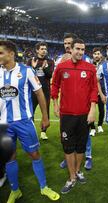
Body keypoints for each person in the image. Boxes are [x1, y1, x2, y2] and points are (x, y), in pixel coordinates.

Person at [0, 40, 60, 202]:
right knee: (9, 157)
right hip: (4, 124)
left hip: (24, 122)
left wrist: (45, 117)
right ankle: (15, 190)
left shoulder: (26, 71)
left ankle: (43, 187)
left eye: (1, 53)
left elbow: (39, 93)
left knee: (34, 154)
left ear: (11, 54)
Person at [51, 38, 98, 194]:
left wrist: (92, 110)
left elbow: (93, 90)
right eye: (77, 49)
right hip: (67, 115)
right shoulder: (61, 67)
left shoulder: (90, 68)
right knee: (69, 147)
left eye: (83, 49)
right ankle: (71, 178)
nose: (80, 52)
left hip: (84, 115)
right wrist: (55, 104)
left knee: (81, 146)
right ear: (70, 49)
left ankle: (77, 171)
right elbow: (55, 85)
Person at [26, 42, 54, 140]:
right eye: (42, 49)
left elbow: (50, 75)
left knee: (45, 111)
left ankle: (43, 132)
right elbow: (28, 75)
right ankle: (32, 131)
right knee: (30, 112)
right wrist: (34, 68)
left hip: (45, 91)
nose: (44, 50)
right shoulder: (31, 61)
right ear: (37, 50)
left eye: (45, 49)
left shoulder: (50, 61)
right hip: (33, 92)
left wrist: (44, 68)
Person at [89, 47, 105, 136]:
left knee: (101, 110)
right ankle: (92, 128)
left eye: (98, 54)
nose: (96, 55)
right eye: (95, 54)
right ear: (93, 55)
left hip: (101, 91)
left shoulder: (105, 65)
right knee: (91, 110)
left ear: (101, 55)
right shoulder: (89, 64)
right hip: (91, 91)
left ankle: (99, 125)